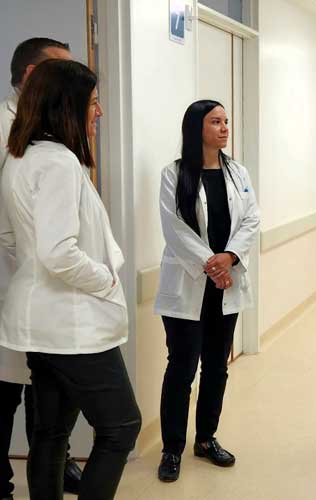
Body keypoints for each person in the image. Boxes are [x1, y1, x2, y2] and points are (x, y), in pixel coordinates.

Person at [0, 59, 141, 500]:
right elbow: (58, 252)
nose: (99, 112)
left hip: (40, 323)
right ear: (67, 106)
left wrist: (36, 271)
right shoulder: (59, 163)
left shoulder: (20, 157)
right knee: (121, 426)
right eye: (93, 102)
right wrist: (105, 280)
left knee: (51, 431)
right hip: (72, 326)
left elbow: (9, 237)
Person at [155, 100, 260, 482]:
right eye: (216, 121)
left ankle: (205, 438)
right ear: (196, 127)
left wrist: (229, 257)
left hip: (225, 285)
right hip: (190, 285)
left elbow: (252, 219)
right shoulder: (174, 174)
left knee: (216, 367)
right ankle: (171, 448)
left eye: (226, 121)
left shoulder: (237, 172)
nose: (224, 127)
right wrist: (211, 264)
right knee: (181, 368)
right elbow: (174, 227)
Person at [0, 37, 82, 500]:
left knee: (45, 391)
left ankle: (54, 468)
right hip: (14, 282)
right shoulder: (4, 127)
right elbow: (7, 226)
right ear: (33, 76)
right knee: (5, 395)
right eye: (60, 72)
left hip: (42, 287)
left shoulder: (48, 130)